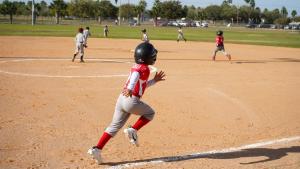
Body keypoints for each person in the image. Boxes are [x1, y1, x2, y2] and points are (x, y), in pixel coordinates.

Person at [87, 42, 166, 164]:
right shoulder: (144, 68)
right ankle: (133, 130)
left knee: (113, 127)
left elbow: (141, 85)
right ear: (147, 56)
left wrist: (154, 81)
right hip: (131, 100)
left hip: (121, 99)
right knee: (150, 114)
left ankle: (97, 149)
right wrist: (130, 87)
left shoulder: (136, 66)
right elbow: (135, 77)